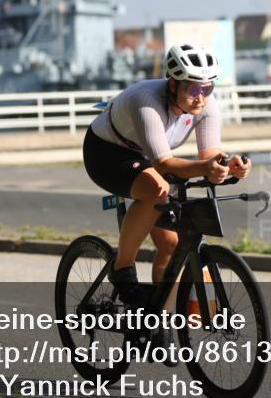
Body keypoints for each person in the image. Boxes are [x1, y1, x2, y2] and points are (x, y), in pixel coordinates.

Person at [83, 44, 251, 306]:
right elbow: (162, 163)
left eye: (207, 89)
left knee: (173, 245)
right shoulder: (146, 100)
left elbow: (209, 154)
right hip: (108, 154)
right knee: (156, 190)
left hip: (147, 156)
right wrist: (205, 168)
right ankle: (122, 268)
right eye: (194, 89)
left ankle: (158, 321)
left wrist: (229, 164)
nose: (201, 97)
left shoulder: (206, 105)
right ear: (173, 84)